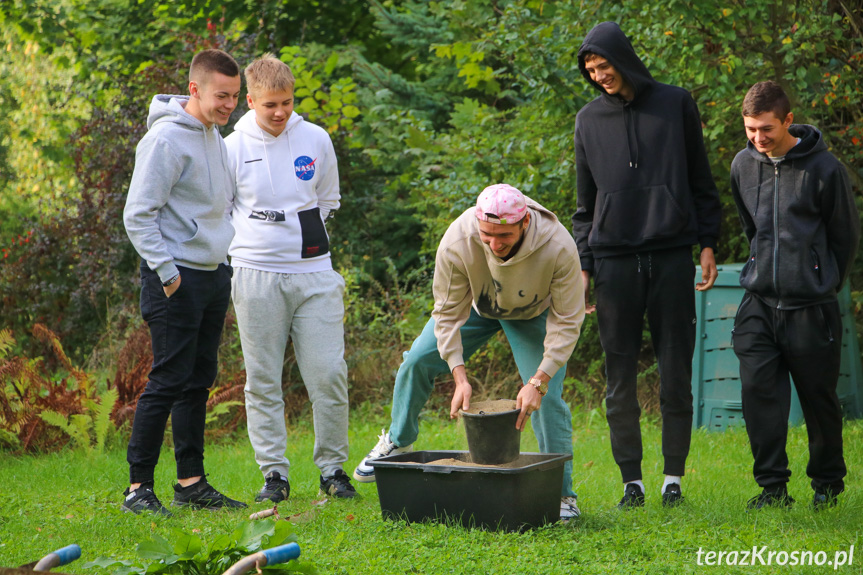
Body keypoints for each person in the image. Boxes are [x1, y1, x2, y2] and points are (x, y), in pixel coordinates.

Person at [353, 184, 586, 520]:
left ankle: (561, 496)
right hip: (480, 306)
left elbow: (567, 321)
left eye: (503, 235)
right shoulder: (459, 238)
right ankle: (399, 440)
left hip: (532, 312)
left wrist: (537, 381)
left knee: (546, 399)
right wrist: (458, 376)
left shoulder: (558, 244)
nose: (494, 243)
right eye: (487, 234)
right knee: (417, 360)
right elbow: (447, 313)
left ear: (524, 224)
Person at [571, 22, 722, 508]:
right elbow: (584, 203)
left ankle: (672, 479)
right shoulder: (587, 120)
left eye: (604, 65)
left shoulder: (675, 104)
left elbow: (701, 178)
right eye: (591, 70)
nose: (599, 76)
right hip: (613, 262)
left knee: (676, 371)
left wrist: (706, 242)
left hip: (671, 254)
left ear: (623, 58)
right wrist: (584, 266)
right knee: (619, 379)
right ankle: (631, 484)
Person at [224, 54, 355, 502]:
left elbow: (328, 199)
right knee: (262, 380)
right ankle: (274, 476)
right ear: (250, 101)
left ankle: (334, 470)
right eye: (270, 105)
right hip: (255, 275)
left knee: (328, 373)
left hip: (314, 274)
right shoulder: (231, 147)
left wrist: (303, 237)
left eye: (287, 102)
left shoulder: (315, 138)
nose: (280, 113)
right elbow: (221, 209)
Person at [121, 49, 246, 515]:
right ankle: (137, 490)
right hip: (174, 278)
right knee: (168, 380)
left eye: (235, 96)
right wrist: (169, 274)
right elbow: (138, 216)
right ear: (194, 89)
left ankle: (191, 483)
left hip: (214, 275)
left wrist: (223, 263)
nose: (229, 104)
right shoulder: (166, 141)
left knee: (198, 381)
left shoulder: (214, 135)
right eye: (221, 95)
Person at [730, 81, 860, 510]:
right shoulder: (742, 166)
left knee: (818, 401)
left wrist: (820, 280)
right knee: (759, 397)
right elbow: (752, 229)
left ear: (788, 120)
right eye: (750, 129)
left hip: (811, 306)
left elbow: (845, 238)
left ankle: (826, 484)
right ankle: (772, 488)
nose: (758, 138)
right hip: (759, 304)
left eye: (766, 129)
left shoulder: (824, 169)